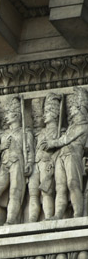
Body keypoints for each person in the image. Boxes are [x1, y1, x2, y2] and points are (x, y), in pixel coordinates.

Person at [0, 96, 34, 227]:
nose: (5, 117)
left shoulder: (25, 133)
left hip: (18, 163)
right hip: (4, 166)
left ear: (16, 115)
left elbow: (30, 151)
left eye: (8, 114)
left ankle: (10, 220)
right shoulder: (1, 134)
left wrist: (29, 164)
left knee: (15, 192)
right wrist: (2, 147)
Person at [43, 87, 88, 219]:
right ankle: (58, 214)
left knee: (73, 184)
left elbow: (66, 140)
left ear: (80, 108)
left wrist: (52, 143)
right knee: (60, 187)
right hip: (62, 156)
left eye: (73, 106)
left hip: (73, 156)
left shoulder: (83, 126)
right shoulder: (71, 127)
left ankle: (77, 214)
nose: (70, 110)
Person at [28, 94, 60, 222]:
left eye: (47, 112)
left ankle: (47, 217)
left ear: (55, 114)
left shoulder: (60, 131)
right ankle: (32, 219)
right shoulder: (39, 133)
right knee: (33, 193)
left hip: (47, 163)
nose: (44, 115)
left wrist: (53, 161)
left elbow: (61, 149)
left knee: (46, 192)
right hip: (36, 163)